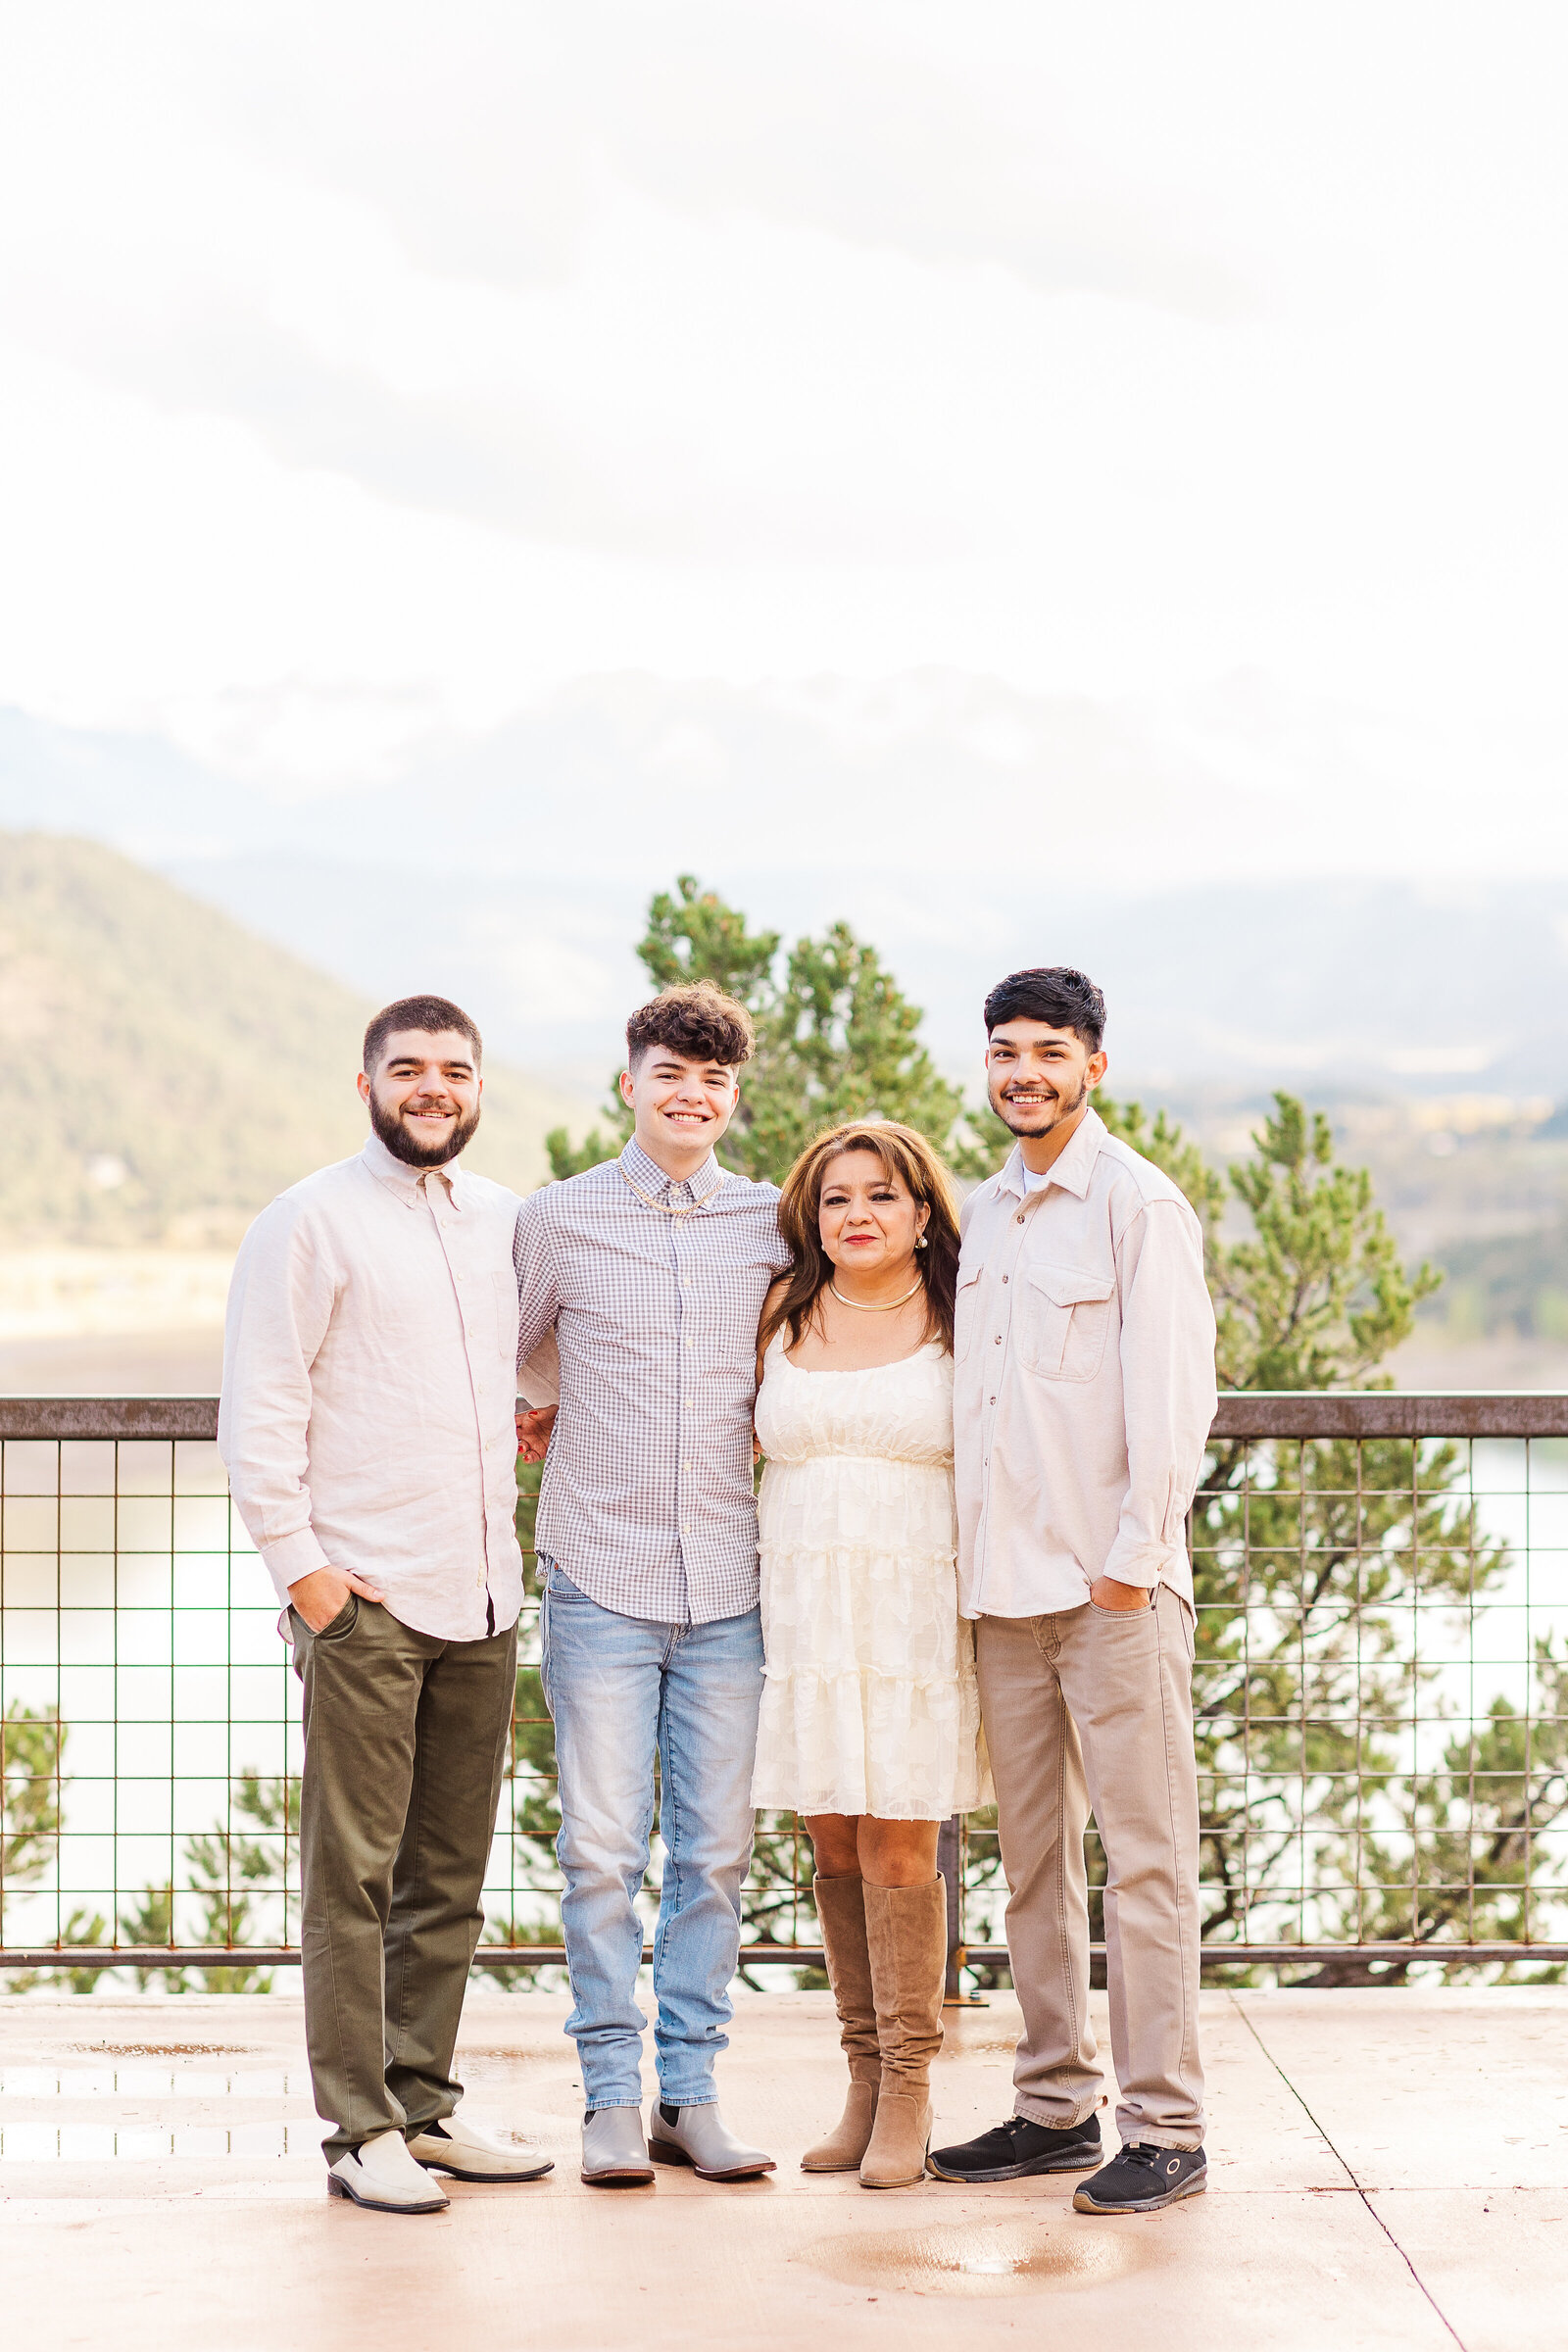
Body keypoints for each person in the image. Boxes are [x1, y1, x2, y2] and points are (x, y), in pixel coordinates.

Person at [219, 996, 550, 2215]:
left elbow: (534, 1368)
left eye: (453, 1071)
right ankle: (359, 2131)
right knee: (352, 1876)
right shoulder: (304, 1222)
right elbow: (257, 1414)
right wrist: (307, 1579)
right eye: (407, 1069)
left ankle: (425, 2107)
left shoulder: (508, 1221)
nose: (432, 1089)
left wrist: (540, 1411)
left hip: (483, 1596)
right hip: (365, 1600)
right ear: (364, 1083)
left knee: (448, 1875)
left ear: (477, 1087)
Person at [928, 966, 1217, 2216]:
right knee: (1028, 1860)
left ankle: (1167, 2128)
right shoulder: (985, 1212)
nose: (1023, 1073)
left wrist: (1129, 1565)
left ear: (1093, 1066)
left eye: (1048, 1052)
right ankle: (1054, 2106)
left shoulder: (1136, 1207)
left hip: (1109, 1594)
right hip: (1001, 1592)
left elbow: (1171, 1400)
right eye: (1005, 1052)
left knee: (1145, 1863)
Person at [513, 983, 792, 2187]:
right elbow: (505, 1362)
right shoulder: (554, 1222)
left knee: (717, 1855)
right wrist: (538, 1404)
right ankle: (609, 2099)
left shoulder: (771, 1226)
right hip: (600, 1579)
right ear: (629, 1084)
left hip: (732, 1582)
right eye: (670, 1075)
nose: (692, 1095)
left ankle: (692, 2091)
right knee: (599, 1854)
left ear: (732, 1098)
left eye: (714, 1080)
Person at [751, 1121, 988, 2189]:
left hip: (912, 1610)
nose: (858, 1213)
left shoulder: (962, 1315)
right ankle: (858, 2077)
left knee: (901, 1845)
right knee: (833, 1842)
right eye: (838, 1196)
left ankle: (910, 2088)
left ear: (923, 1212)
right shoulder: (783, 1311)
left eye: (883, 1196)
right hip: (803, 1605)